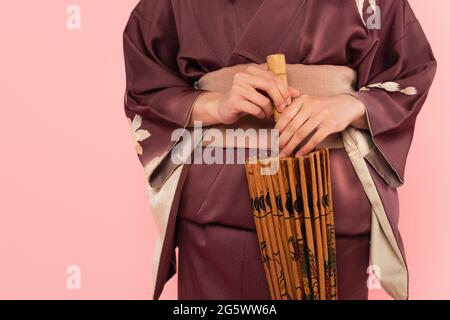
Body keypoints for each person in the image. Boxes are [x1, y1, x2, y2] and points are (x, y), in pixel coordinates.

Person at [123, 0, 436, 300]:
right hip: (217, 204)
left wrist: (349, 105)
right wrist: (214, 104)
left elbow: (411, 68)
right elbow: (146, 83)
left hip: (334, 204)